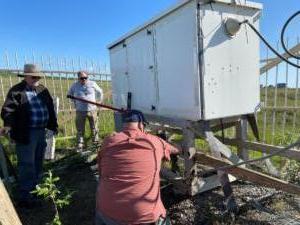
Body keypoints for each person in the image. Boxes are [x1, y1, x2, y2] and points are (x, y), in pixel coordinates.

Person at [96, 110, 181, 225]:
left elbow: (101, 173)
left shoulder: (108, 142)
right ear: (141, 124)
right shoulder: (155, 142)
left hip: (107, 214)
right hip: (144, 217)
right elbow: (176, 149)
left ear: (123, 124)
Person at [0, 64, 58, 207]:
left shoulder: (42, 90)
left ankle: (37, 191)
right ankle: (25, 196)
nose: (36, 79)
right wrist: (8, 124)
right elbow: (8, 110)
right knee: (27, 164)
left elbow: (50, 108)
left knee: (38, 161)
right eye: (34, 76)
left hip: (41, 131)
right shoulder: (17, 91)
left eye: (38, 76)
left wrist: (53, 126)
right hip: (26, 132)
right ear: (25, 76)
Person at [68, 71, 103, 149]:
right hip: (80, 111)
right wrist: (75, 103)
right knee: (80, 129)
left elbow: (100, 91)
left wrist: (99, 101)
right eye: (81, 78)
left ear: (87, 77)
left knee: (94, 127)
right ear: (78, 78)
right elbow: (69, 95)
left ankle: (95, 143)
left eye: (85, 78)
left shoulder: (92, 84)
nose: (84, 79)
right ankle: (80, 144)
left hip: (92, 110)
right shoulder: (74, 85)